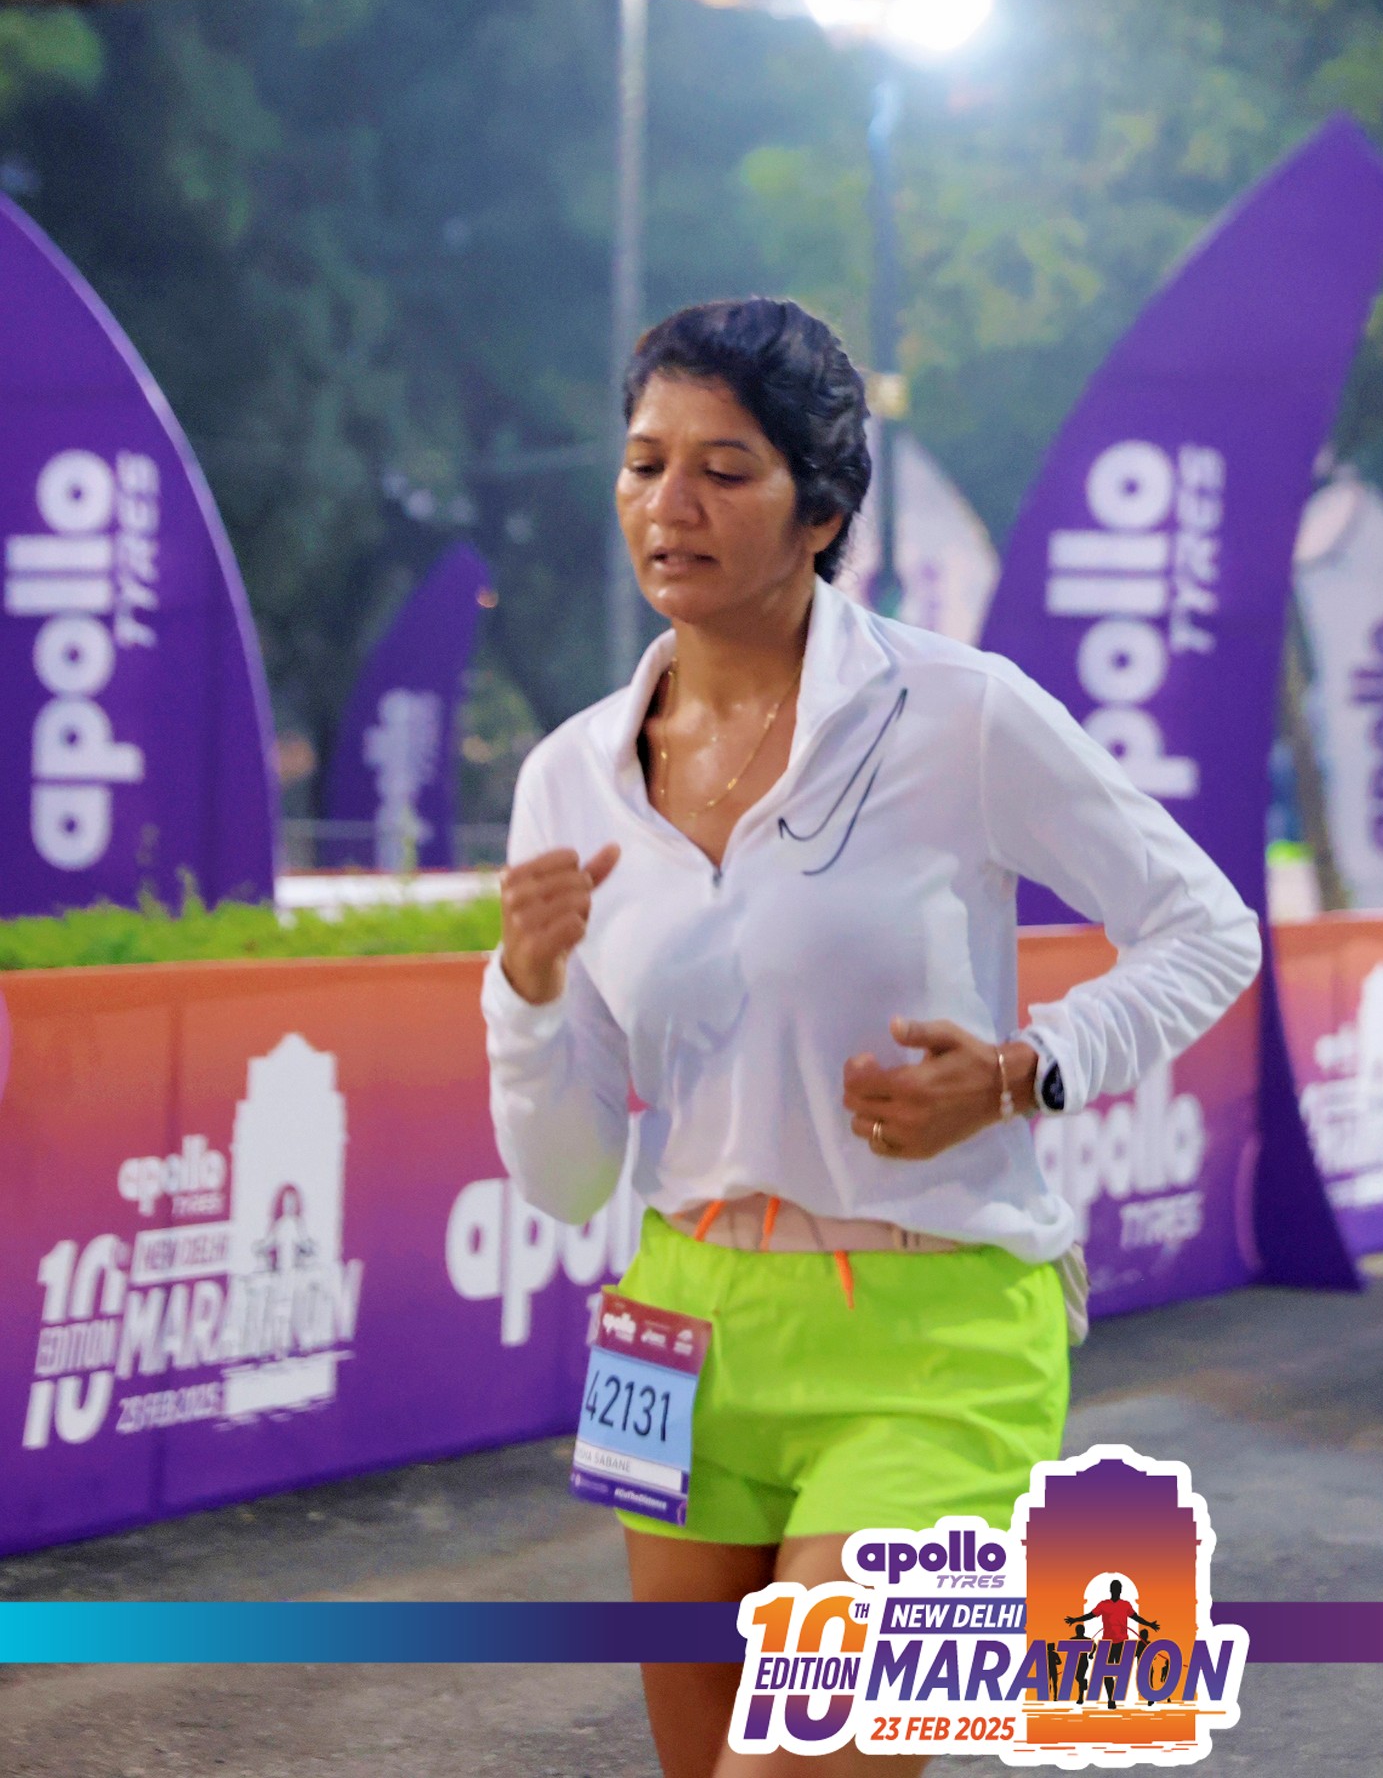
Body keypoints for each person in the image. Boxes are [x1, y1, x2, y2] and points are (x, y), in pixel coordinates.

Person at [485, 297, 1260, 1778]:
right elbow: (566, 1176)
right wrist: (522, 991)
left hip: (937, 1345)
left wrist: (1027, 1070)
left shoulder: (960, 715)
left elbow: (1206, 929)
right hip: (678, 1333)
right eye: (645, 464)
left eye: (725, 469)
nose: (670, 504)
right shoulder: (569, 776)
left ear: (822, 513)